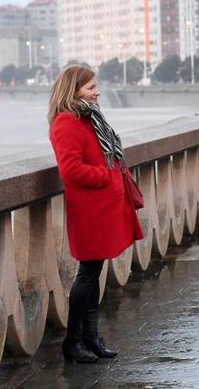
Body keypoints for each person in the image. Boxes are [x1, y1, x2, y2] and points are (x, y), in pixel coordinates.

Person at [47, 65, 144, 363]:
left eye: (95, 86)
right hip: (89, 209)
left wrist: (112, 175)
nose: (97, 91)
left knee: (93, 273)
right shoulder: (66, 123)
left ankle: (90, 337)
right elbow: (70, 169)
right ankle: (73, 341)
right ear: (73, 90)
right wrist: (106, 175)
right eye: (90, 87)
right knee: (87, 275)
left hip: (101, 206)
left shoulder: (89, 119)